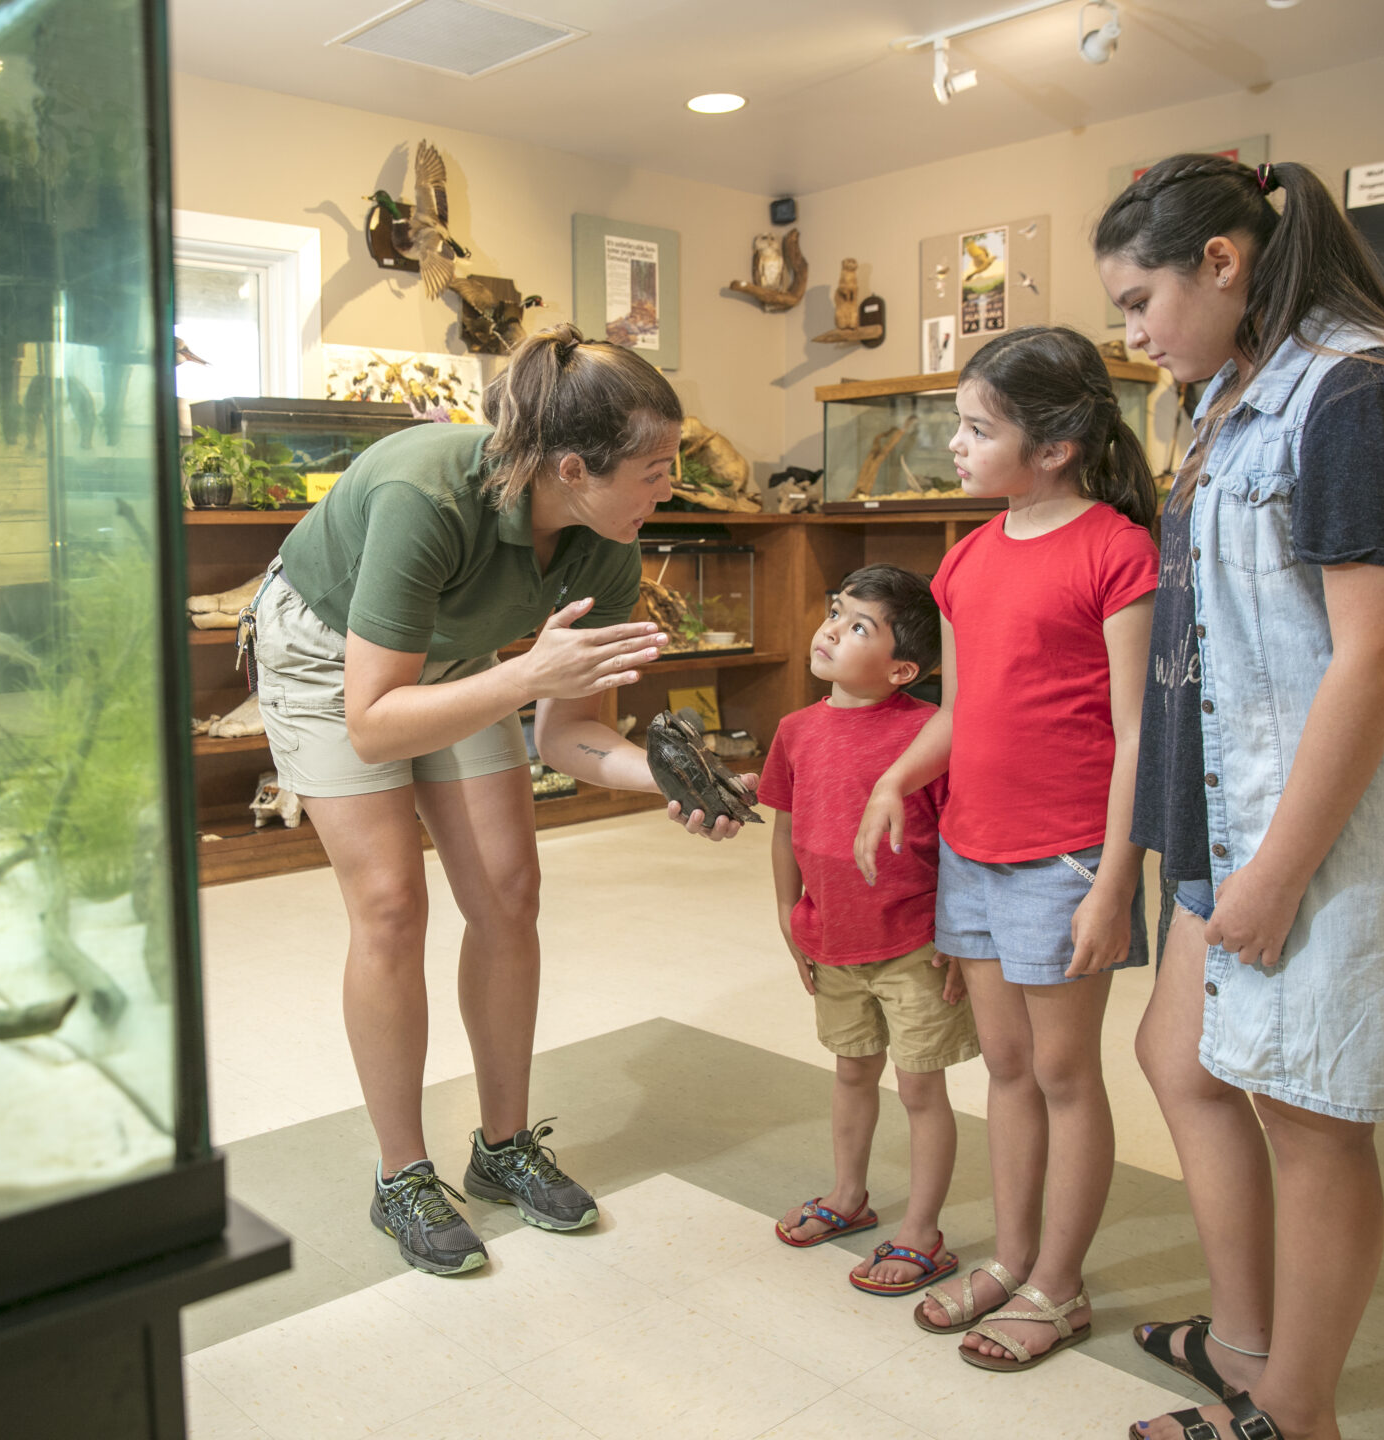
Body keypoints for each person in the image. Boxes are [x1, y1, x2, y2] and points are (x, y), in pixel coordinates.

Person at [1095, 156, 1384, 1440]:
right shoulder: (1234, 392)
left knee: (1310, 1119)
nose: (1133, 333)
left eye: (1137, 300)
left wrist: (1276, 871)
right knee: (1179, 1056)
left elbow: (1374, 652)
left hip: (1318, 832)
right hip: (1228, 810)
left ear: (1222, 262)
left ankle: (1294, 1411)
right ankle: (1245, 1342)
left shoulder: (1361, 391)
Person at [245, 324, 755, 1278]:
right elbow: (375, 722)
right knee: (393, 903)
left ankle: (503, 1145)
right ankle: (402, 1174)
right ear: (572, 466)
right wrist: (530, 674)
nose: (668, 486)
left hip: (461, 661)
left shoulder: (606, 543)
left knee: (509, 891)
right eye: (654, 468)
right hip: (328, 658)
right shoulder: (424, 494)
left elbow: (570, 735)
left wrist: (669, 779)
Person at [854, 325, 1159, 1372]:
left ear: (1058, 445)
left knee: (1068, 1076)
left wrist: (1117, 877)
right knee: (1011, 1071)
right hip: (973, 859)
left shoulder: (1119, 552)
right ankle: (1017, 1257)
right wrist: (900, 776)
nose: (957, 445)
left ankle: (1060, 1288)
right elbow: (968, 710)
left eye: (978, 429)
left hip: (1068, 858)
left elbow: (1137, 736)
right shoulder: (967, 558)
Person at [763, 565, 979, 1299]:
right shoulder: (795, 730)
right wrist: (791, 920)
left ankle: (923, 1232)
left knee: (921, 1091)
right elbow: (786, 833)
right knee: (852, 1071)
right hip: (832, 941)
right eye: (835, 612)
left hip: (914, 944)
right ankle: (848, 1196)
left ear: (903, 669)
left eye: (859, 625)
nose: (830, 628)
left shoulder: (926, 733)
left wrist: (957, 935)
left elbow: (955, 837)